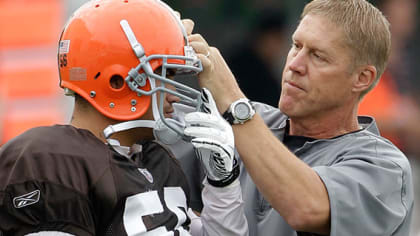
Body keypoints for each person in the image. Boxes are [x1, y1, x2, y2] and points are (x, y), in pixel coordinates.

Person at [0, 0, 248, 235]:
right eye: (165, 75)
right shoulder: (52, 163)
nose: (173, 94)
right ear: (117, 82)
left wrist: (222, 184)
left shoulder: (157, 161)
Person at [180, 0, 414, 235]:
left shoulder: (386, 168)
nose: (295, 64)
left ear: (362, 78)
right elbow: (152, 134)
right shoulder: (248, 121)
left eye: (318, 56)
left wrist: (233, 102)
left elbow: (307, 208)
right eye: (296, 45)